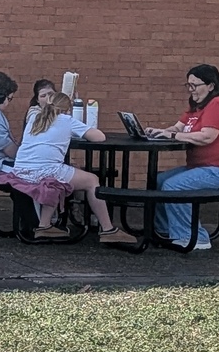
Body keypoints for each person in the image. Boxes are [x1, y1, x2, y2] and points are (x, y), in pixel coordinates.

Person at [145, 64, 219, 250]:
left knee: (174, 186)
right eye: (188, 85)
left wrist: (173, 136)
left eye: (195, 85)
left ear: (210, 86)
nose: (191, 90)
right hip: (202, 167)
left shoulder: (218, 104)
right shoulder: (196, 108)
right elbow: (177, 128)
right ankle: (165, 230)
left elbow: (208, 136)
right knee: (157, 181)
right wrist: (160, 132)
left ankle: (195, 238)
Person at [13, 92, 131, 243]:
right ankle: (108, 229)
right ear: (67, 110)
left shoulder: (35, 119)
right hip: (46, 171)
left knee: (58, 176)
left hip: (21, 170)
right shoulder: (66, 120)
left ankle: (44, 226)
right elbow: (99, 137)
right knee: (91, 180)